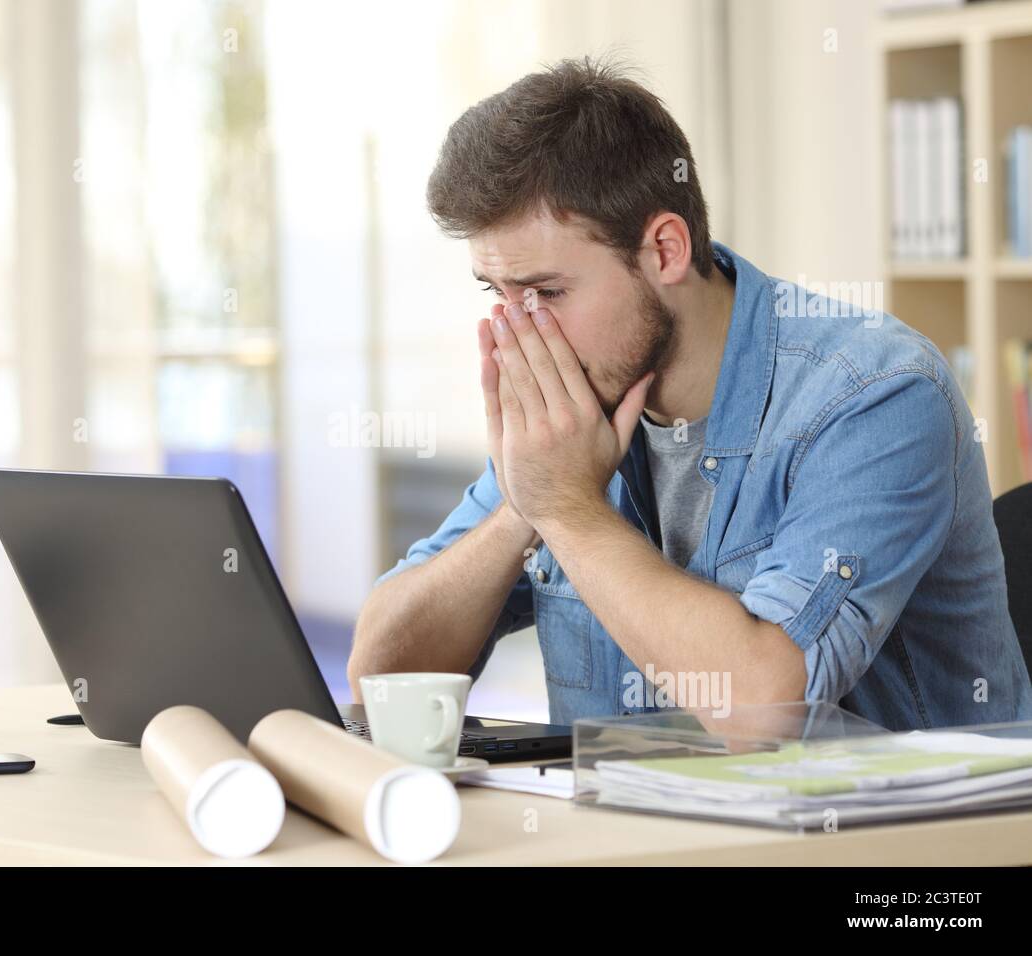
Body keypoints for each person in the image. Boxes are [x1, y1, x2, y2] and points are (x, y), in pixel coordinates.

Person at [347, 57, 1032, 731]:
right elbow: (378, 678)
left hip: (878, 840)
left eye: (547, 293)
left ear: (666, 250)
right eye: (497, 294)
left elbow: (764, 709)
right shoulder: (570, 422)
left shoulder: (874, 393)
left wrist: (568, 509)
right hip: (633, 838)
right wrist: (527, 507)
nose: (521, 333)